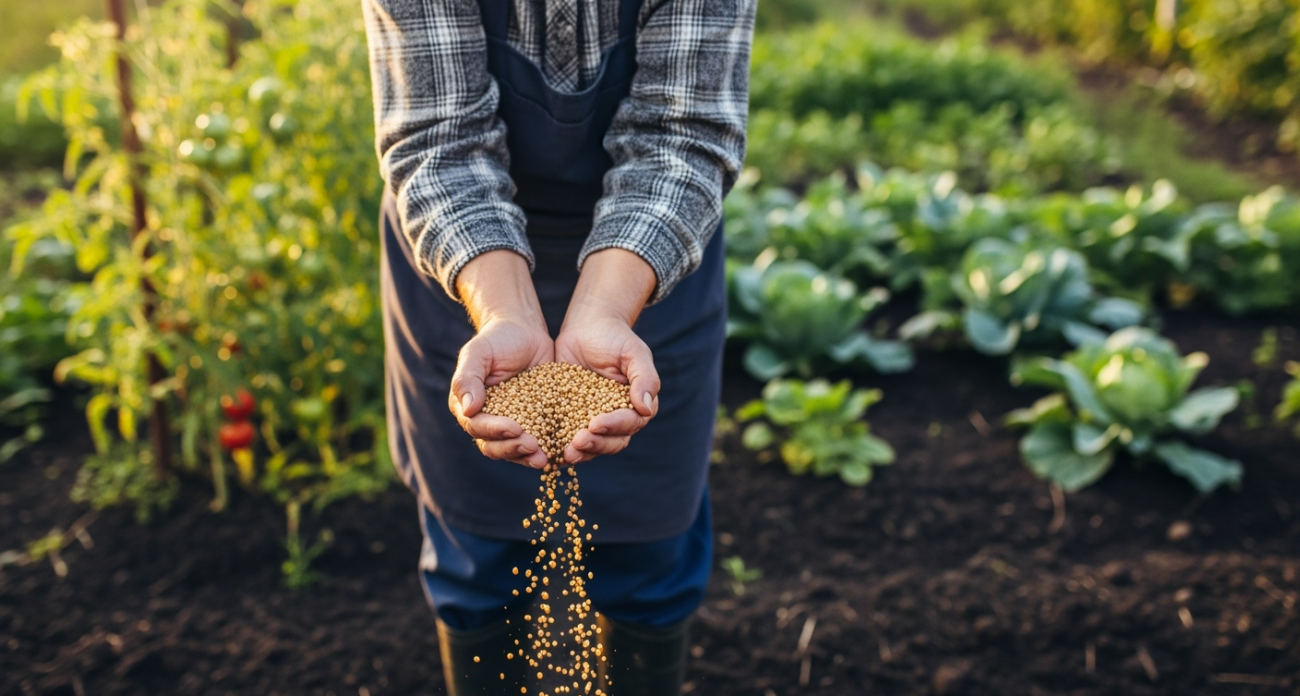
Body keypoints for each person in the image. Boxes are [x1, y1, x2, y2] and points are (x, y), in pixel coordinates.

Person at [362, 0, 755, 693]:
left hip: (650, 259)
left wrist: (606, 307)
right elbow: (437, 138)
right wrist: (502, 313)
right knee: (477, 554)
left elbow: (684, 131)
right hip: (466, 265)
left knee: (650, 553)